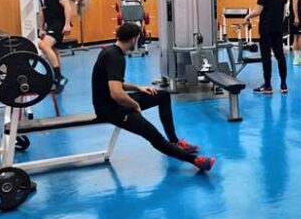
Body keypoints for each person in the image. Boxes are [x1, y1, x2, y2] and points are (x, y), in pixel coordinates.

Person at [92, 23, 215, 171]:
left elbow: (116, 84)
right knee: (153, 135)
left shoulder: (110, 52)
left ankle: (174, 141)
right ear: (133, 40)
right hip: (110, 109)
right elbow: (116, 93)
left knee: (162, 96)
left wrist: (138, 88)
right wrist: (134, 104)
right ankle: (196, 161)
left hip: (114, 102)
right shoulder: (116, 57)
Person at [245, 0, 289, 94]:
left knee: (266, 57)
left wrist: (247, 16)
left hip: (266, 28)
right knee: (280, 56)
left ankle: (268, 86)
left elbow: (258, 11)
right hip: (278, 28)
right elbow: (284, 11)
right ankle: (284, 85)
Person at [35, 0, 72, 89]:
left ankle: (58, 76)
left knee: (43, 45)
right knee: (55, 53)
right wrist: (41, 28)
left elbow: (67, 6)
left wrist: (67, 24)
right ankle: (58, 83)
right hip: (50, 24)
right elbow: (42, 12)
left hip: (59, 23)